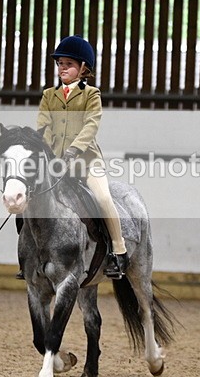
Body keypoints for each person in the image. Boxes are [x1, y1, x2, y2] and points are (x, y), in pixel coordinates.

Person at [18, 34, 128, 280]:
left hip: (86, 162)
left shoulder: (91, 94)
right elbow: (43, 127)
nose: (62, 68)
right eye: (60, 64)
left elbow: (91, 126)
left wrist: (73, 150)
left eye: (68, 64)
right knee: (25, 198)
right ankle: (27, 256)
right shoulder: (49, 95)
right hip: (55, 163)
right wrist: (42, 152)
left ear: (83, 68)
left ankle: (118, 252)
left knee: (102, 197)